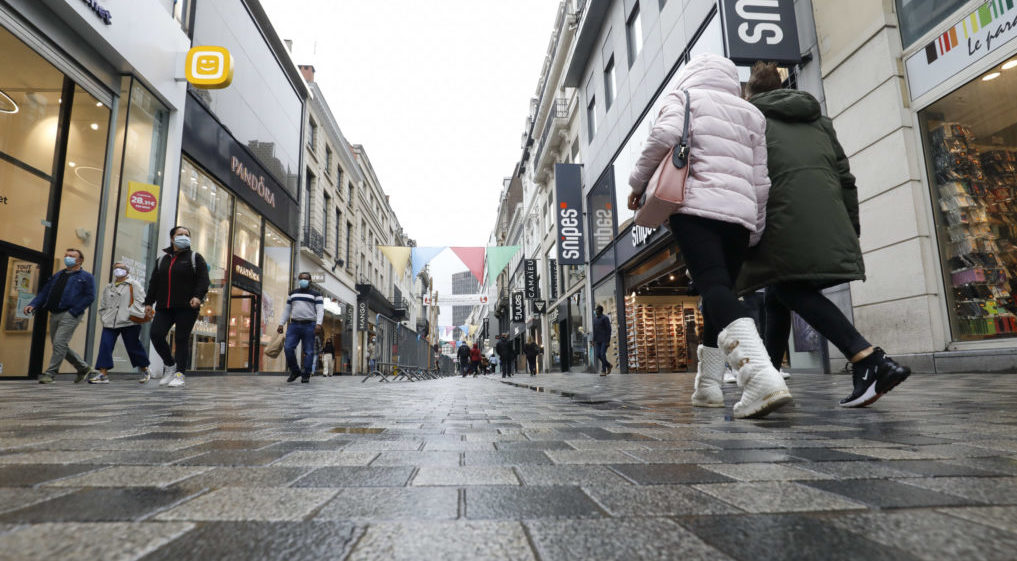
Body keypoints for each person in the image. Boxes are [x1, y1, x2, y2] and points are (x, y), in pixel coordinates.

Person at [739, 61, 910, 408]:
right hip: (828, 216)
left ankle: (867, 358)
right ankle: (768, 378)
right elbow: (846, 178)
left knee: (788, 287)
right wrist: (851, 225)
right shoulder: (819, 121)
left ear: (750, 93)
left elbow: (747, 182)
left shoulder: (750, 122)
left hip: (782, 219)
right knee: (777, 294)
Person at [628, 53, 789, 419]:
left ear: (692, 74)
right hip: (740, 215)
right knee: (723, 293)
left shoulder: (683, 98)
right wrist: (756, 226)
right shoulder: (751, 113)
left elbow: (662, 137)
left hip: (695, 207)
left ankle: (760, 376)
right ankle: (709, 387)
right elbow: (761, 180)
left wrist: (637, 183)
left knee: (714, 289)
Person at [144, 226, 210, 388]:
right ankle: (170, 365)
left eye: (187, 235)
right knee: (156, 334)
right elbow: (154, 283)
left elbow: (203, 280)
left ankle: (180, 373)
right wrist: (148, 302)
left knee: (181, 338)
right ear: (172, 238)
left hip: (187, 307)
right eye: (180, 234)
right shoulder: (162, 260)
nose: (184, 237)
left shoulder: (195, 258)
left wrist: (197, 296)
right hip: (164, 306)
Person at [24, 249, 97, 384]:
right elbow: (45, 292)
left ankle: (50, 374)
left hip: (70, 313)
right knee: (59, 344)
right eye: (66, 256)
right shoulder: (58, 275)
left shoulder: (86, 277)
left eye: (72, 256)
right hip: (54, 313)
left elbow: (90, 296)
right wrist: (33, 304)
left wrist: (74, 311)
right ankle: (83, 368)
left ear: (80, 260)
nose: (68, 258)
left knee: (59, 343)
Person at [93, 262, 152, 384]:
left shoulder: (133, 284)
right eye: (116, 268)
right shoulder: (109, 287)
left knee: (133, 346)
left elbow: (141, 301)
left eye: (121, 268)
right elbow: (103, 304)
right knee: (105, 345)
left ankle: (145, 369)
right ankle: (103, 374)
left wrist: (130, 313)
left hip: (129, 321)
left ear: (127, 271)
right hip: (110, 322)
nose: (118, 270)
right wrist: (104, 316)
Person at [277, 272, 324, 383]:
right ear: (299, 280)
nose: (303, 280)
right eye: (301, 279)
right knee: (288, 348)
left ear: (310, 280)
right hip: (294, 325)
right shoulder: (293, 294)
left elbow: (320, 310)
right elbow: (287, 310)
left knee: (308, 351)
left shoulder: (316, 294)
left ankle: (306, 374)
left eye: (305, 279)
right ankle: (295, 371)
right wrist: (281, 323)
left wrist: (318, 324)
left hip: (310, 325)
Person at [592, 306, 612, 376]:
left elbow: (609, 329)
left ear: (600, 311)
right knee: (598, 355)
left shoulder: (605, 318)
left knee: (602, 354)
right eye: (595, 310)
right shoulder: (595, 319)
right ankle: (608, 365)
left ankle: (603, 370)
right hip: (597, 340)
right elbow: (594, 330)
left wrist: (608, 341)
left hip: (604, 340)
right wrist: (593, 340)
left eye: (596, 310)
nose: (595, 311)